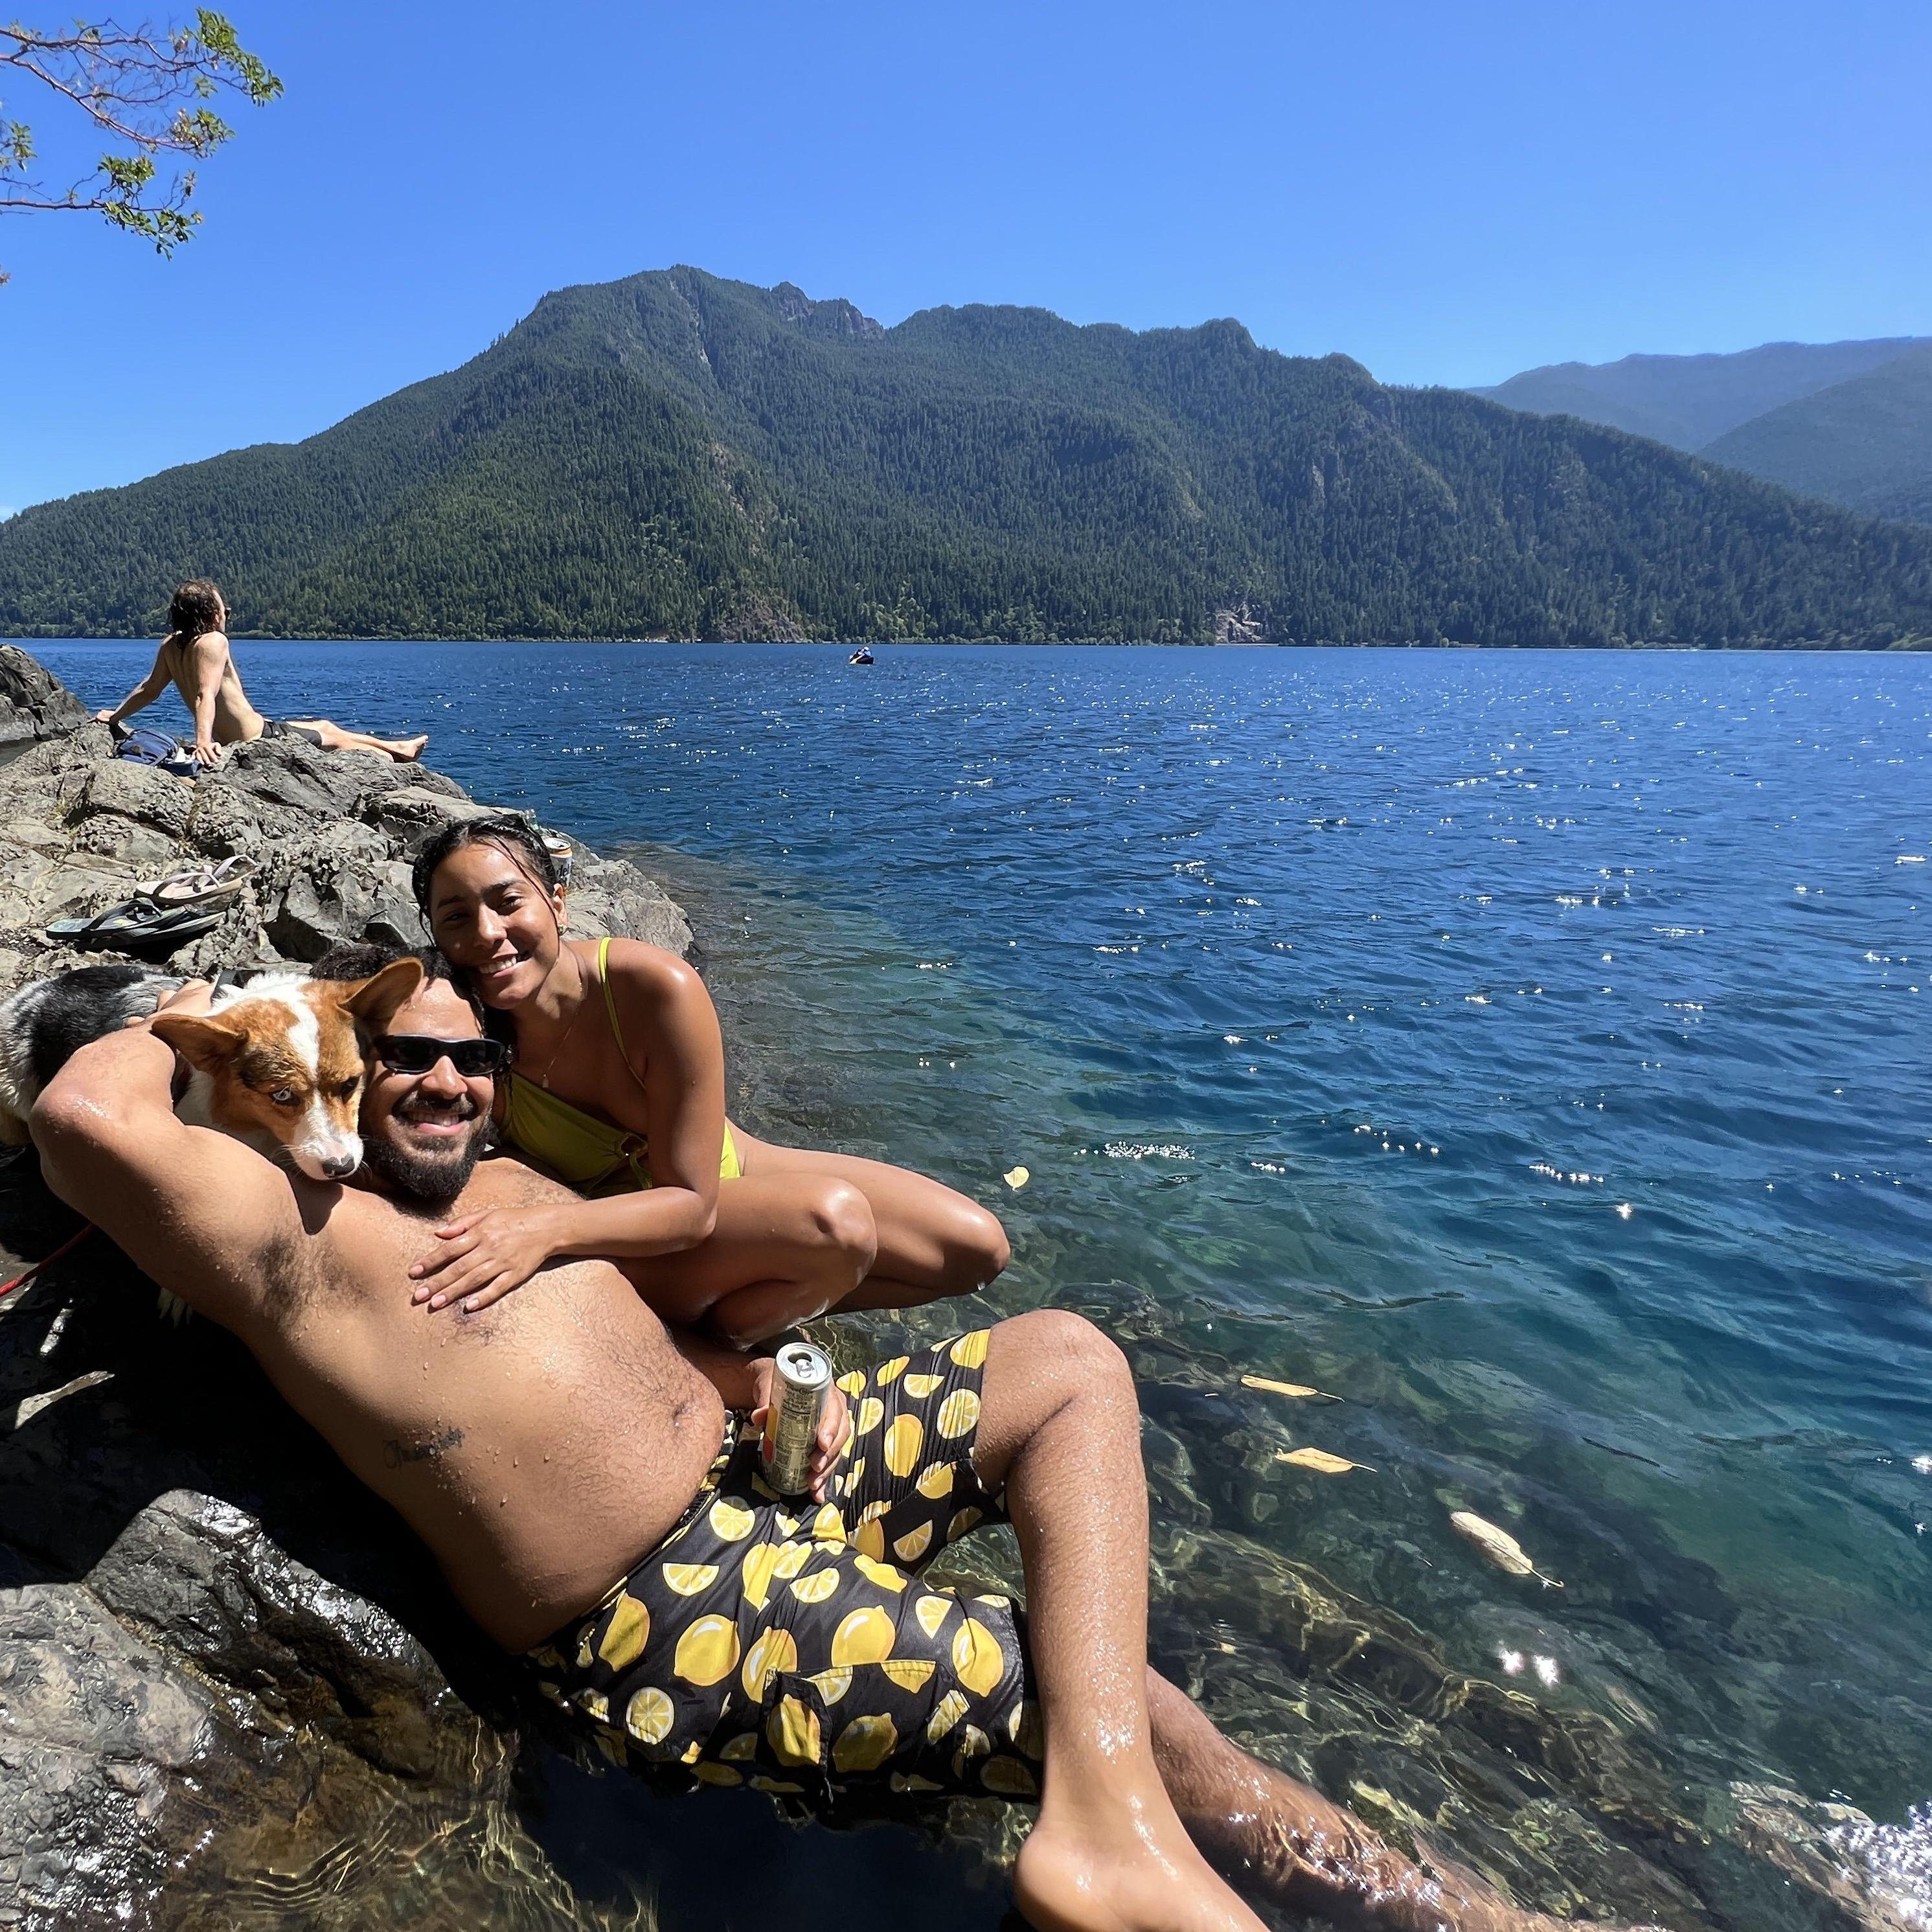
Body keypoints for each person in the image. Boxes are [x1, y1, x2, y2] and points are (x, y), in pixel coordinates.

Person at [28, 953, 1609, 1932]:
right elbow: (87, 1123)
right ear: (236, 1086)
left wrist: (750, 1363)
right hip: (670, 1611)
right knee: (1107, 1694)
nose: (432, 1080)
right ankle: (1457, 1914)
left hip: (776, 1474)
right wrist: (174, 1014)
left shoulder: (489, 1159)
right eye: (398, 1064)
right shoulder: (297, 1219)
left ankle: (1105, 1806)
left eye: (454, 1056)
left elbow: (696, 1227)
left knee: (1063, 1356)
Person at [408, 816, 1008, 1347]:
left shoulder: (649, 988)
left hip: (718, 1181)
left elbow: (695, 1203)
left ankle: (757, 1296)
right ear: (436, 934)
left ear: (558, 903)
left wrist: (540, 1228)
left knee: (977, 1249)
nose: (487, 933)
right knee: (838, 1225)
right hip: (620, 1233)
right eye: (457, 917)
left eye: (508, 901)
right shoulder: (459, 1030)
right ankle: (727, 1339)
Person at [94, 578, 429, 766]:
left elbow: (150, 689)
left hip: (254, 729)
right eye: (224, 608)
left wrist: (115, 716)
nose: (227, 613)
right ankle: (395, 756)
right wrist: (202, 742)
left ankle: (395, 746)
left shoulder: (172, 645)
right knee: (335, 739)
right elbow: (204, 694)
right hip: (256, 736)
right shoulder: (213, 641)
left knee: (326, 726)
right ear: (212, 613)